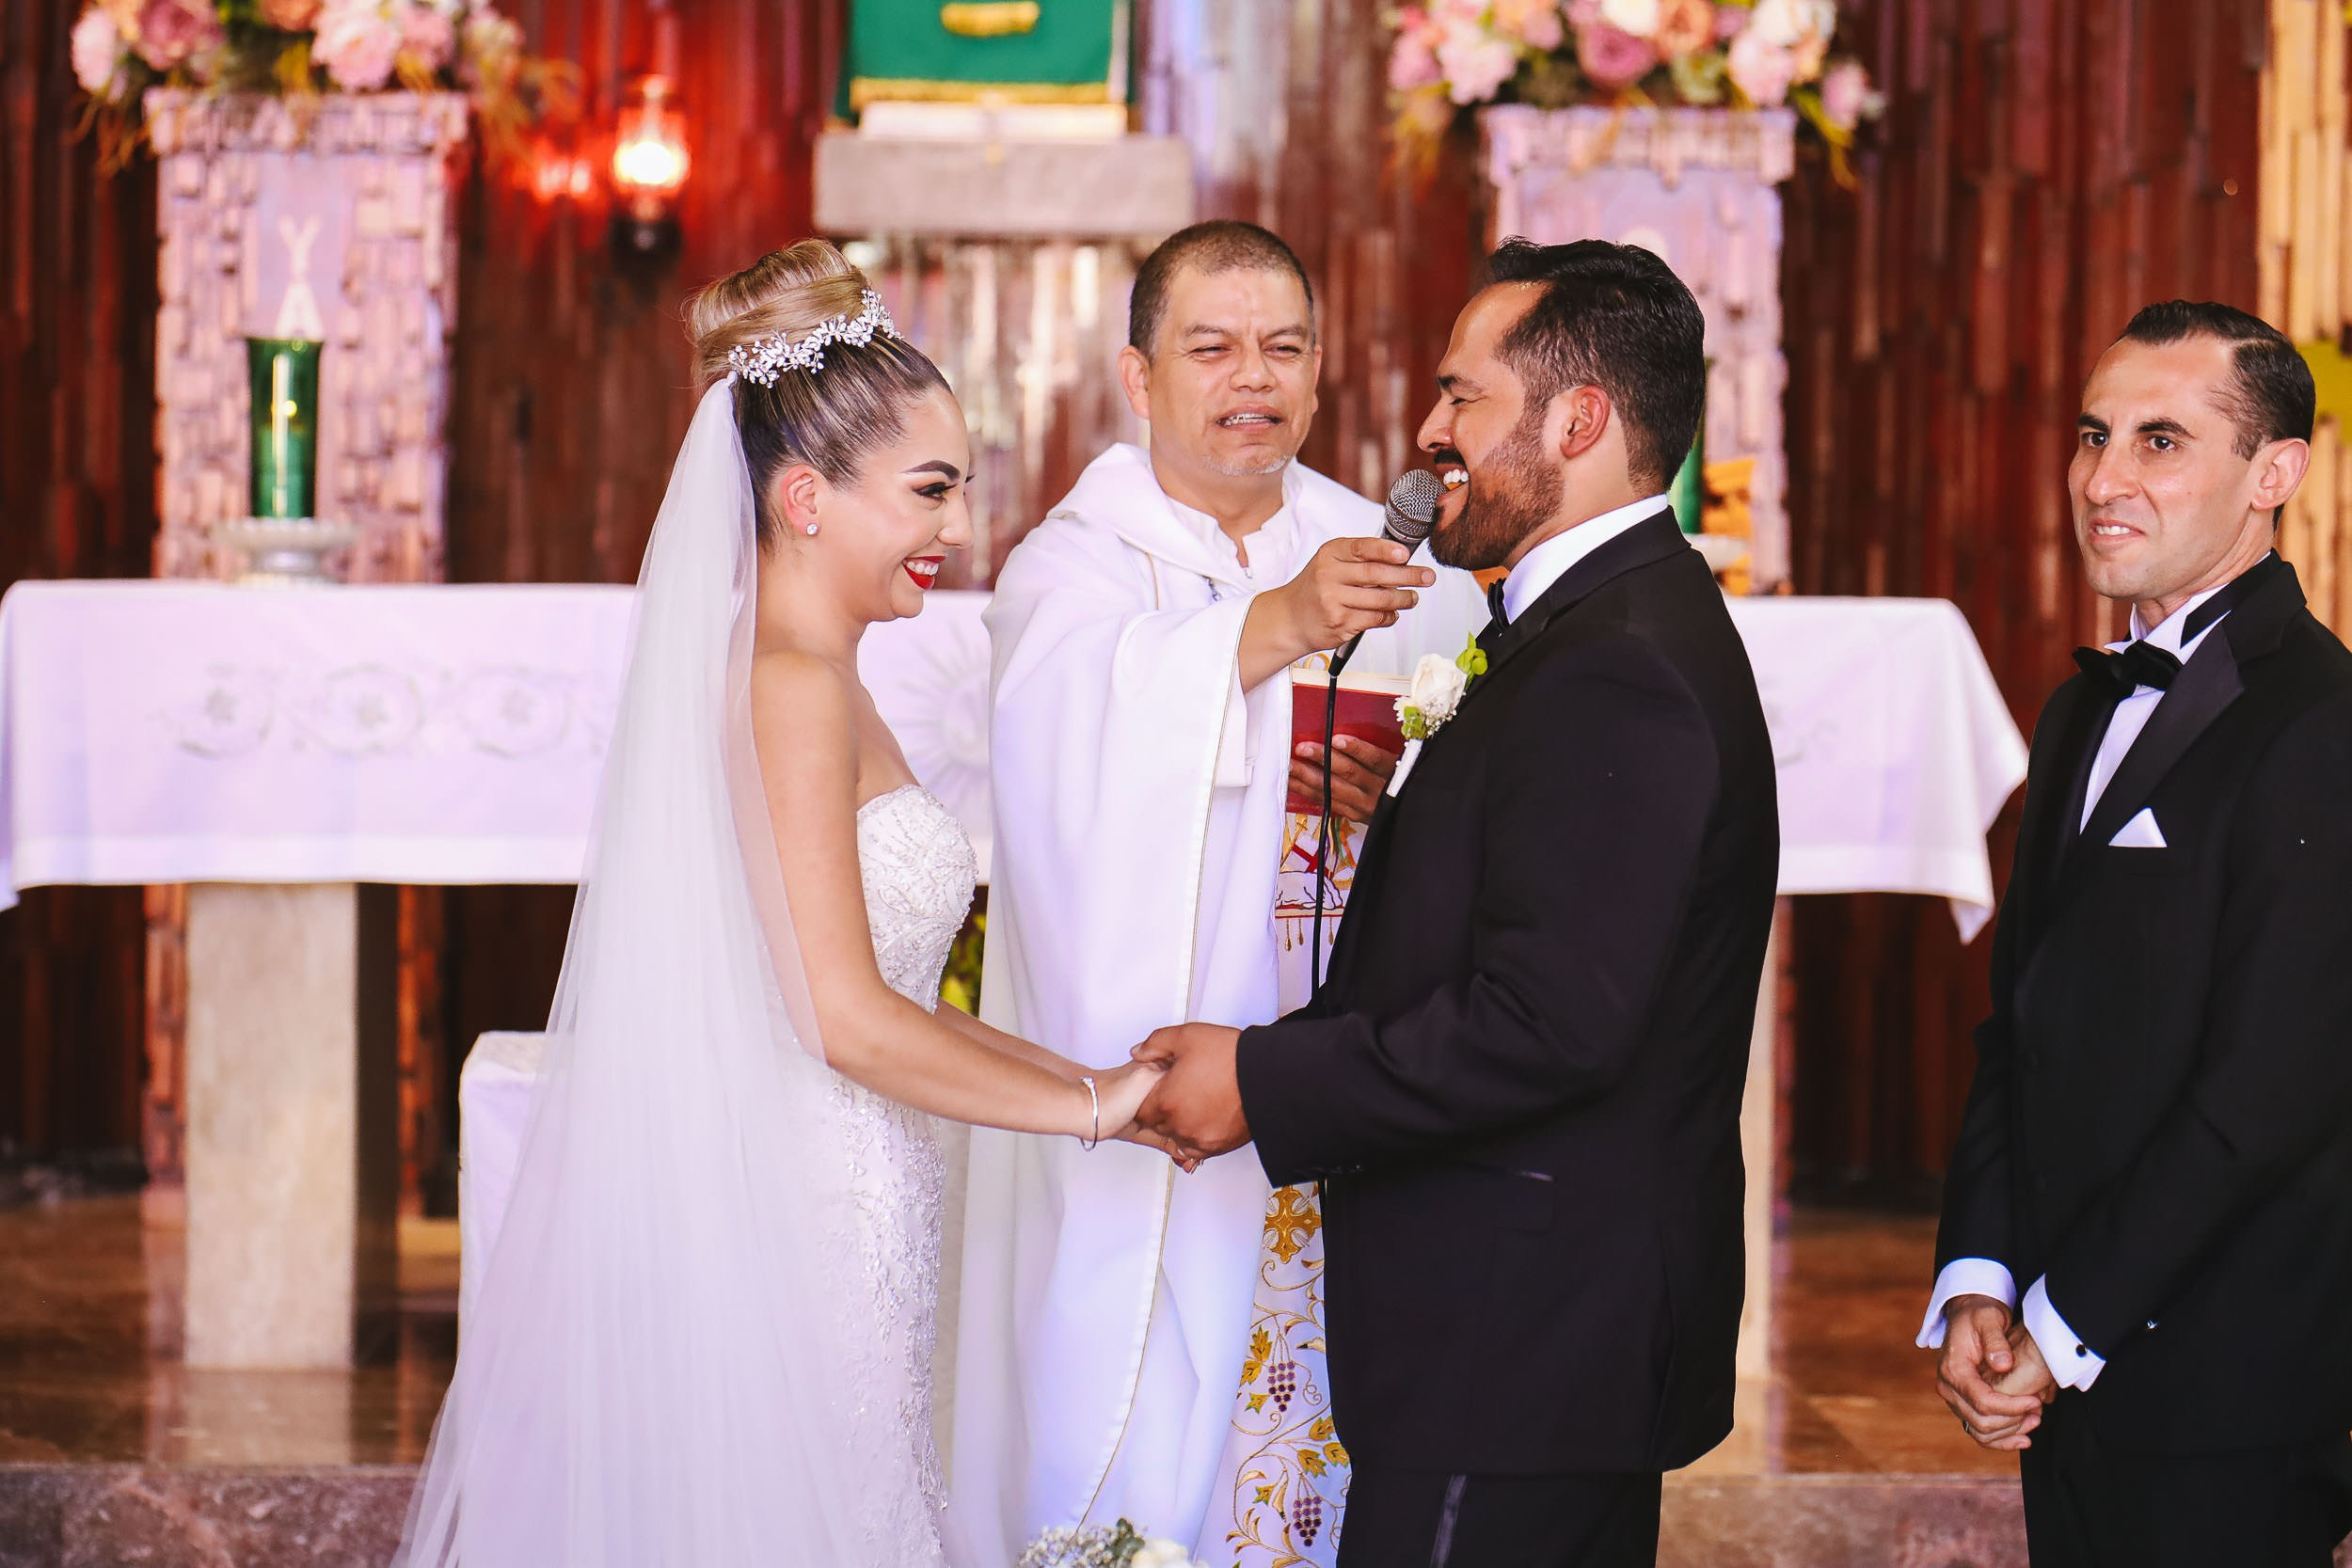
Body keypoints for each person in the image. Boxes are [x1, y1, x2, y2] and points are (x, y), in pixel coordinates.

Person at [393, 240, 1163, 1568]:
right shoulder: (792, 685)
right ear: (804, 498)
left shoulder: (823, 673)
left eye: (962, 490)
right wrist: (1095, 1108)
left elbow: (894, 992)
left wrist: (1098, 1081)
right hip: (808, 1206)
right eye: (930, 491)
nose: (961, 531)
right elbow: (841, 1019)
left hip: (854, 1189)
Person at [1132, 238, 1780, 1568]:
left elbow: (1547, 1023)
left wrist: (1263, 1080)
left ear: (1580, 420)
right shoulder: (1590, 625)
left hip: (1521, 1338)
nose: (1428, 432)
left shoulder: (1618, 666)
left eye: (1462, 397)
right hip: (1538, 1335)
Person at [946, 221, 1486, 1566]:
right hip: (1156, 1089)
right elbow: (1056, 761)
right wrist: (1278, 643)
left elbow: (1475, 784)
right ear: (1138, 379)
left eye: (1284, 346)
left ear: (1321, 373)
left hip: (1344, 1086)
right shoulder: (1074, 563)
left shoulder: (1384, 553)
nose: (1255, 376)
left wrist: (1398, 785)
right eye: (1213, 346)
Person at [1925, 301, 2352, 1568]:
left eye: (2161, 441)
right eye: (2094, 434)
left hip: (2231, 1392)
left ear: (2274, 474)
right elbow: (2023, 1025)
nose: (2103, 480)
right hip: (2069, 1368)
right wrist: (1981, 1279)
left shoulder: (2321, 725)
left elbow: (2267, 1094)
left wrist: (2058, 1336)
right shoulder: (2073, 714)